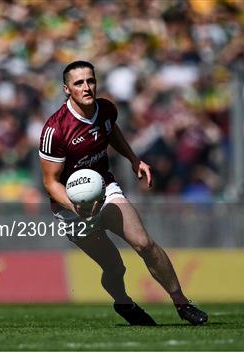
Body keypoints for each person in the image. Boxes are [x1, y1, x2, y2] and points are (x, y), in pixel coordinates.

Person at [39, 60, 208, 326]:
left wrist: (133, 159)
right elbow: (51, 182)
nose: (87, 87)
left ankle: (182, 302)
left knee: (144, 244)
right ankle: (123, 303)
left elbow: (110, 130)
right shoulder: (56, 129)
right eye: (79, 83)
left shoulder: (106, 109)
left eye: (90, 80)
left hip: (105, 189)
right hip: (71, 207)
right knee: (114, 267)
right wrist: (77, 207)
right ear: (66, 89)